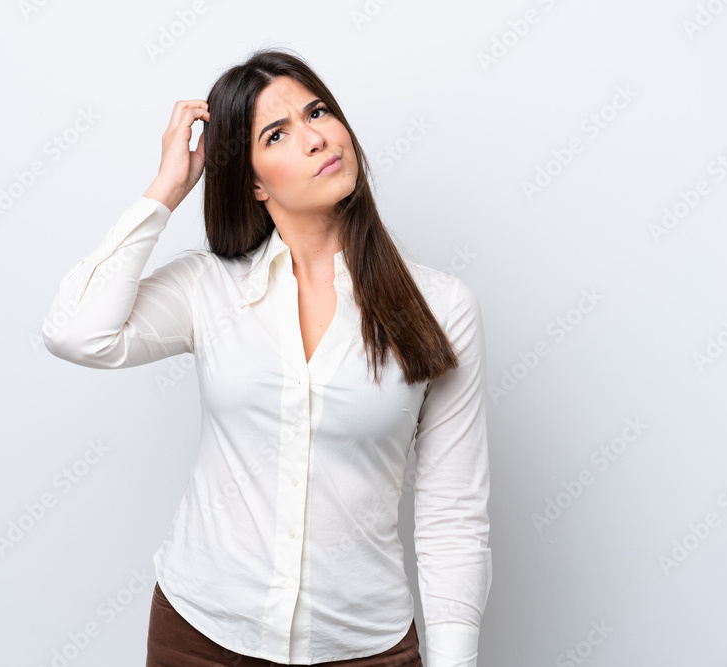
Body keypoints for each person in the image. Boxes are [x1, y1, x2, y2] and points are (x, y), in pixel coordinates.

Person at [41, 47, 491, 667]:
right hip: (200, 637)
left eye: (318, 112)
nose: (315, 139)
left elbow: (453, 515)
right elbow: (75, 333)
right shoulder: (209, 287)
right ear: (252, 180)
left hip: (362, 647)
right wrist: (167, 188)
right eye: (277, 134)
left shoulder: (440, 306)